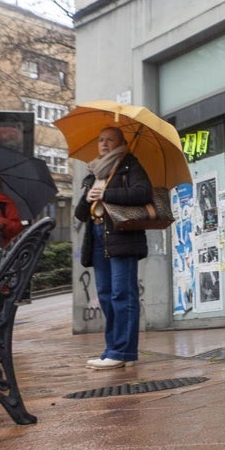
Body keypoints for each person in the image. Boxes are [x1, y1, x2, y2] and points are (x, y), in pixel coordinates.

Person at [74, 126, 153, 370]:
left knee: (122, 293)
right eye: (101, 140)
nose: (104, 144)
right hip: (98, 235)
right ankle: (113, 349)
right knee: (106, 295)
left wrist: (107, 192)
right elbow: (79, 214)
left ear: (121, 143)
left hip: (122, 235)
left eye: (110, 140)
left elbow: (143, 193)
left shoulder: (129, 164)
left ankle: (122, 350)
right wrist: (88, 198)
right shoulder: (94, 171)